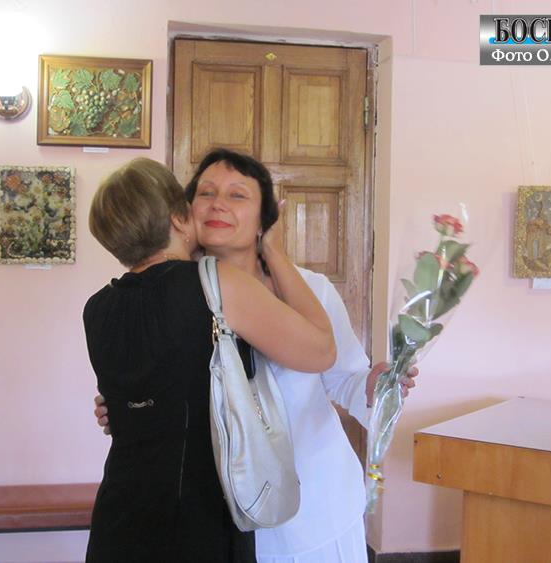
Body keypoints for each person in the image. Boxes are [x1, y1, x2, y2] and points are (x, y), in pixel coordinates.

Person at [94, 149, 418, 562]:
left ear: (265, 219)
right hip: (217, 520)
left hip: (314, 511)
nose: (218, 204)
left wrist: (373, 387)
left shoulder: (311, 290)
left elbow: (344, 378)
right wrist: (126, 407)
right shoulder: (171, 292)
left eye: (237, 195)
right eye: (206, 193)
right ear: (183, 213)